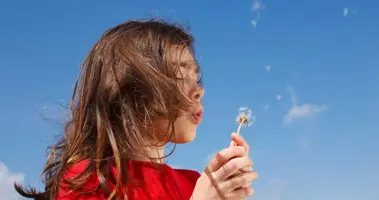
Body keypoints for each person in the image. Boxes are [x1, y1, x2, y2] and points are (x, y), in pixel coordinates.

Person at [14, 19, 258, 200]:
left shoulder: (193, 183)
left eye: (197, 77)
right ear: (129, 93)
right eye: (178, 76)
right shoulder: (88, 181)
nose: (198, 90)